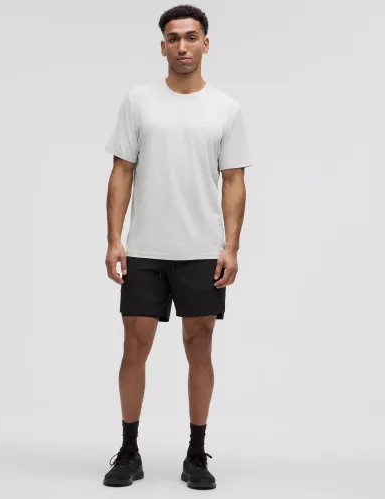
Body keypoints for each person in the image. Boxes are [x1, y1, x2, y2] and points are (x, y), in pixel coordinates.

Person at [102, 4, 253, 490]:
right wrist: (114, 239)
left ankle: (196, 453)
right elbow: (121, 171)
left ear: (205, 43)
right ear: (163, 46)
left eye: (190, 37)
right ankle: (129, 450)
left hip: (202, 250)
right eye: (173, 38)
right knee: (134, 345)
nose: (182, 46)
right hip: (145, 248)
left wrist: (231, 247)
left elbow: (233, 181)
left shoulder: (225, 108)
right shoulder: (139, 101)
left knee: (199, 346)